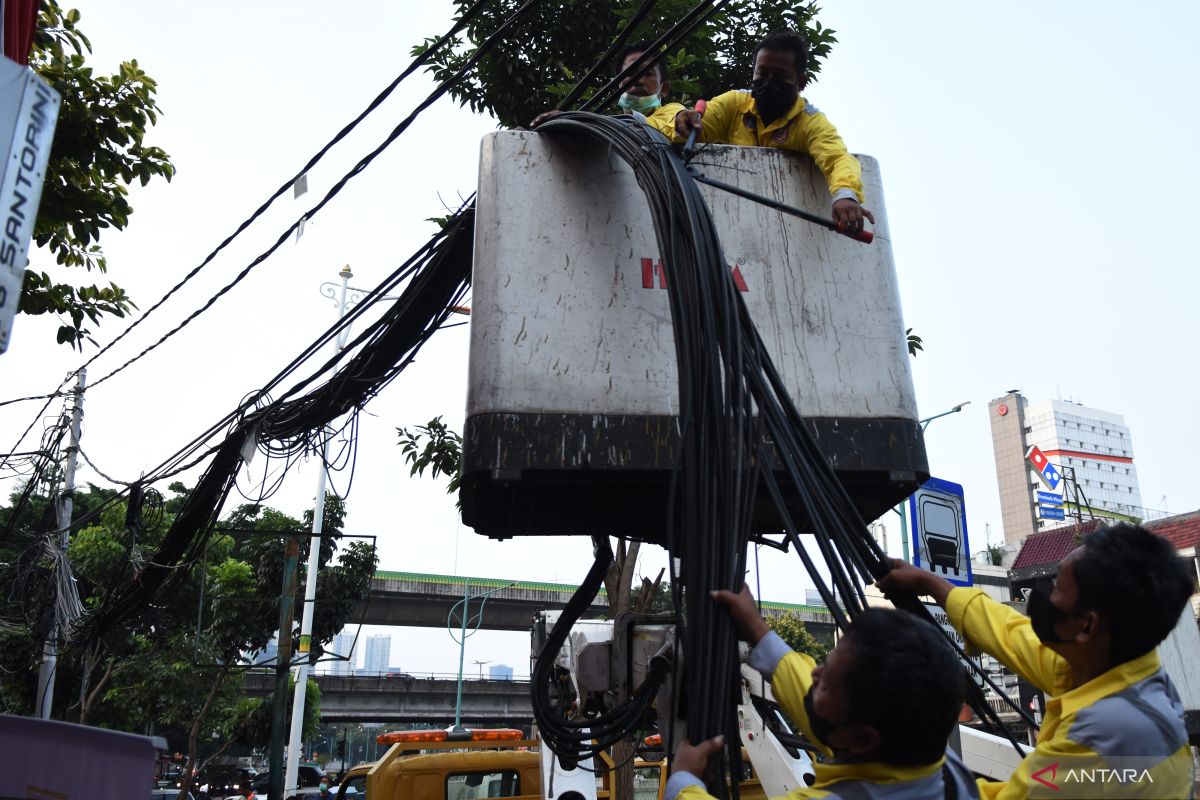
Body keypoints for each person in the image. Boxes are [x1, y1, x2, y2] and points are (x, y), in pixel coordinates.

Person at [878, 522, 1196, 799]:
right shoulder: (1105, 663)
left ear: (1087, 625)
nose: (1042, 593)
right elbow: (1011, 634)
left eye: (1057, 586)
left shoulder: (1102, 737)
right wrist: (933, 585)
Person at [668, 586, 978, 800]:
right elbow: (811, 692)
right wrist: (759, 632)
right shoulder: (940, 764)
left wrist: (683, 781)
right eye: (824, 665)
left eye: (826, 684)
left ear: (862, 740)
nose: (815, 674)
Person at [673, 31, 873, 238]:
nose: (768, 82)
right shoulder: (733, 104)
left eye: (780, 76)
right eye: (762, 73)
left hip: (788, 233)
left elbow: (837, 158)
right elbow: (694, 128)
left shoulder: (811, 122)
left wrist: (845, 195)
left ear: (801, 83)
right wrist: (682, 123)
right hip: (727, 223)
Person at [531, 42, 684, 138]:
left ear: (664, 88)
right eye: (630, 73)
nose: (638, 80)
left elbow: (665, 127)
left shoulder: (675, 112)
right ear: (618, 84)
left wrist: (576, 122)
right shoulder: (608, 128)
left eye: (648, 73)